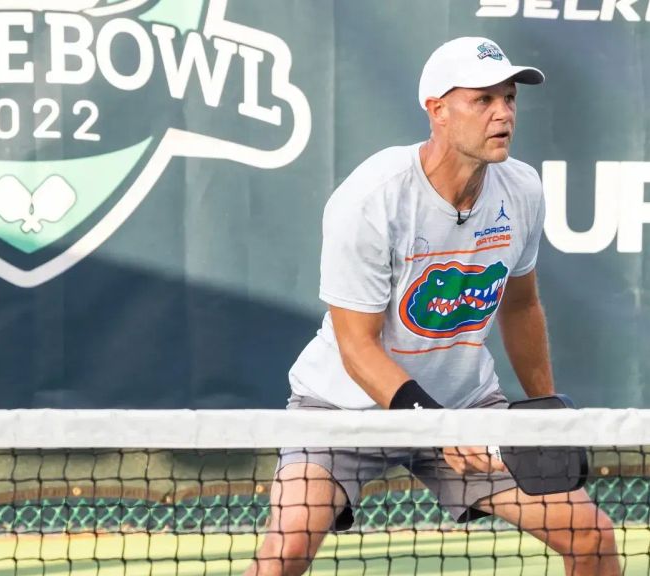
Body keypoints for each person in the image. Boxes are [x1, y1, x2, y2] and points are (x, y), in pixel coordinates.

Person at [246, 37, 620, 576]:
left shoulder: (521, 190)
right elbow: (356, 346)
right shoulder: (374, 196)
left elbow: (520, 307)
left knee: (591, 538)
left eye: (509, 98)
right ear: (437, 110)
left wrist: (542, 417)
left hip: (466, 405)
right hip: (341, 412)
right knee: (285, 554)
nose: (503, 114)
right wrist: (437, 427)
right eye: (483, 100)